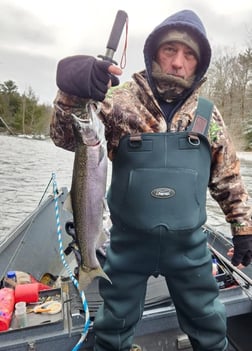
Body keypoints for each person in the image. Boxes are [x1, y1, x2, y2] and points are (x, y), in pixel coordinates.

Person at [50, 9, 252, 351]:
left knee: (210, 326)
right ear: (153, 52)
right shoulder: (118, 102)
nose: (178, 62)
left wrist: (244, 229)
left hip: (190, 248)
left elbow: (228, 177)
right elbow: (65, 136)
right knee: (113, 327)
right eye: (170, 51)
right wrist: (71, 90)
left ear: (198, 64)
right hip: (127, 246)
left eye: (189, 55)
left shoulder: (207, 115)